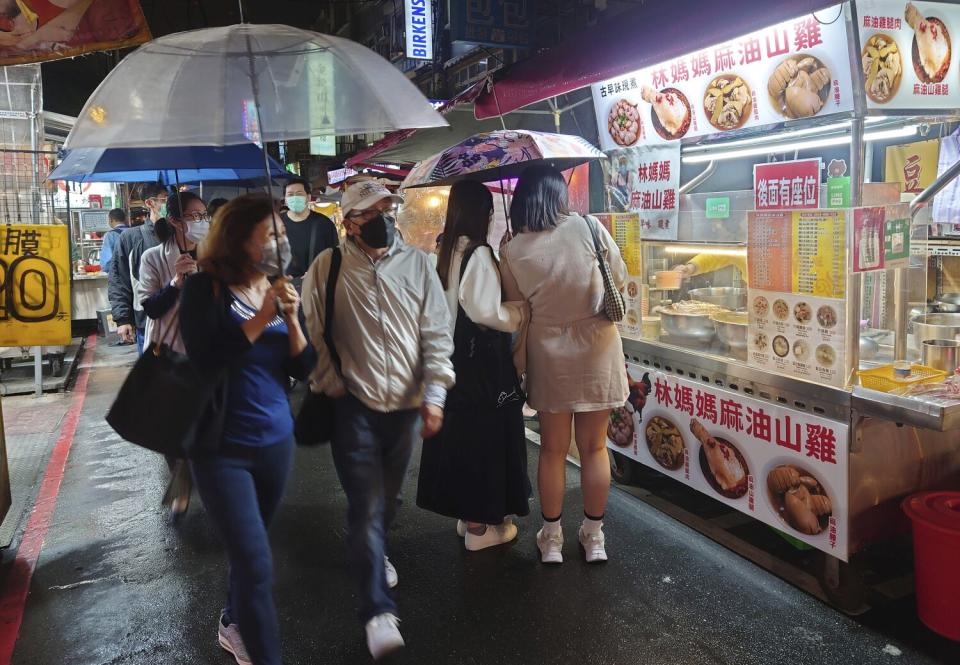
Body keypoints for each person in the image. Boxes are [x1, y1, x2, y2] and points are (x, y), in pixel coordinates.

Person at [302, 180, 454, 660]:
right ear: (349, 222)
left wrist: (434, 394)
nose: (383, 218)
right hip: (355, 408)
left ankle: (376, 546)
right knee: (365, 506)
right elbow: (312, 334)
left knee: (386, 502)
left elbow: (436, 331)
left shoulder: (419, 264)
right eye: (371, 211)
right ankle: (376, 610)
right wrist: (331, 383)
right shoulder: (326, 268)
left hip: (407, 409)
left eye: (388, 208)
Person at [179, 193, 314, 665]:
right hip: (220, 447)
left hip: (275, 441)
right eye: (271, 235)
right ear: (239, 239)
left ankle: (233, 619)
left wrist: (293, 320)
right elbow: (207, 357)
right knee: (257, 561)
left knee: (248, 549)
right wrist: (264, 317)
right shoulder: (204, 289)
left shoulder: (281, 286)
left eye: (282, 234)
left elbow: (307, 366)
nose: (282, 242)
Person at [499, 165, 628, 565]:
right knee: (594, 447)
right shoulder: (589, 228)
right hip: (598, 350)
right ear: (558, 195)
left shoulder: (513, 248)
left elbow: (516, 310)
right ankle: (594, 538)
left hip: (548, 353)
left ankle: (551, 538)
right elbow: (619, 280)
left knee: (553, 449)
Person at [416, 180, 530, 552]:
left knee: (461, 440)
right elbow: (484, 312)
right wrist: (516, 313)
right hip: (479, 367)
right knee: (484, 441)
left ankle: (468, 519)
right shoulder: (477, 253)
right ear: (483, 214)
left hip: (450, 362)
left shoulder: (444, 249)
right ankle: (482, 530)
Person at [138, 192, 207, 519]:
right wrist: (176, 282)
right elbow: (151, 307)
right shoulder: (153, 257)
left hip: (207, 351)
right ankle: (180, 477)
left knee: (207, 420)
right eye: (195, 216)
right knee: (170, 424)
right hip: (168, 350)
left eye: (205, 215)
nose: (202, 222)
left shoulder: (214, 255)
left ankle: (208, 479)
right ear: (175, 221)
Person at [108, 182, 168, 354]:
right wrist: (123, 319)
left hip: (181, 320)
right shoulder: (131, 238)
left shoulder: (180, 235)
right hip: (146, 321)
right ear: (150, 203)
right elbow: (119, 280)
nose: (169, 204)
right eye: (165, 200)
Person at [280, 177, 338, 291]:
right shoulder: (276, 224)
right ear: (285, 199)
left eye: (299, 193)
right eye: (290, 194)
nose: (294, 197)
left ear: (308, 197)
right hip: (285, 291)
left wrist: (319, 273)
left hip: (318, 288)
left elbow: (335, 257)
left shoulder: (324, 224)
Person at [98, 208, 127, 274]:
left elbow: (106, 262)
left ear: (111, 220)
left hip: (119, 275)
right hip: (136, 276)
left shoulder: (110, 235)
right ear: (124, 219)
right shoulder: (135, 232)